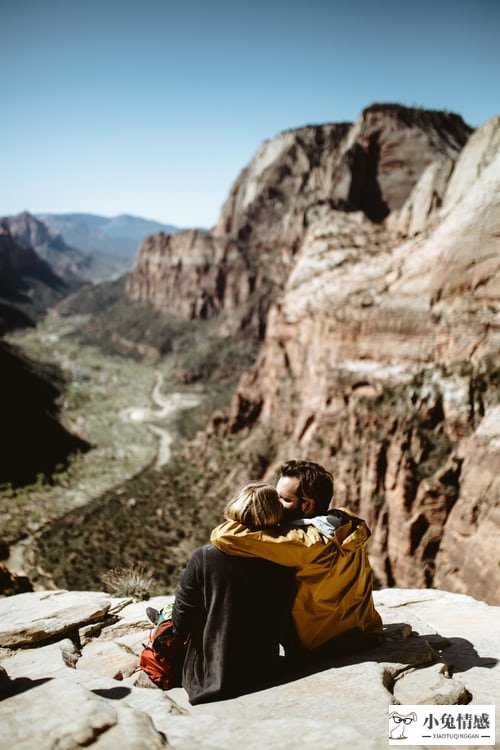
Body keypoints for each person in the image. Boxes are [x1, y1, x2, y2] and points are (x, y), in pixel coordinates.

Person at [210, 459, 383, 655]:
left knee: (215, 558)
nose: (276, 504)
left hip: (318, 644)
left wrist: (252, 502)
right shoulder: (344, 520)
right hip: (361, 631)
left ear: (307, 505)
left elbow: (223, 536)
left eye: (284, 500)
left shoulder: (303, 542)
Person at [172, 482, 295, 705]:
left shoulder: (206, 556)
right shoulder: (285, 558)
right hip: (263, 667)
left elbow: (181, 621)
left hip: (211, 675)